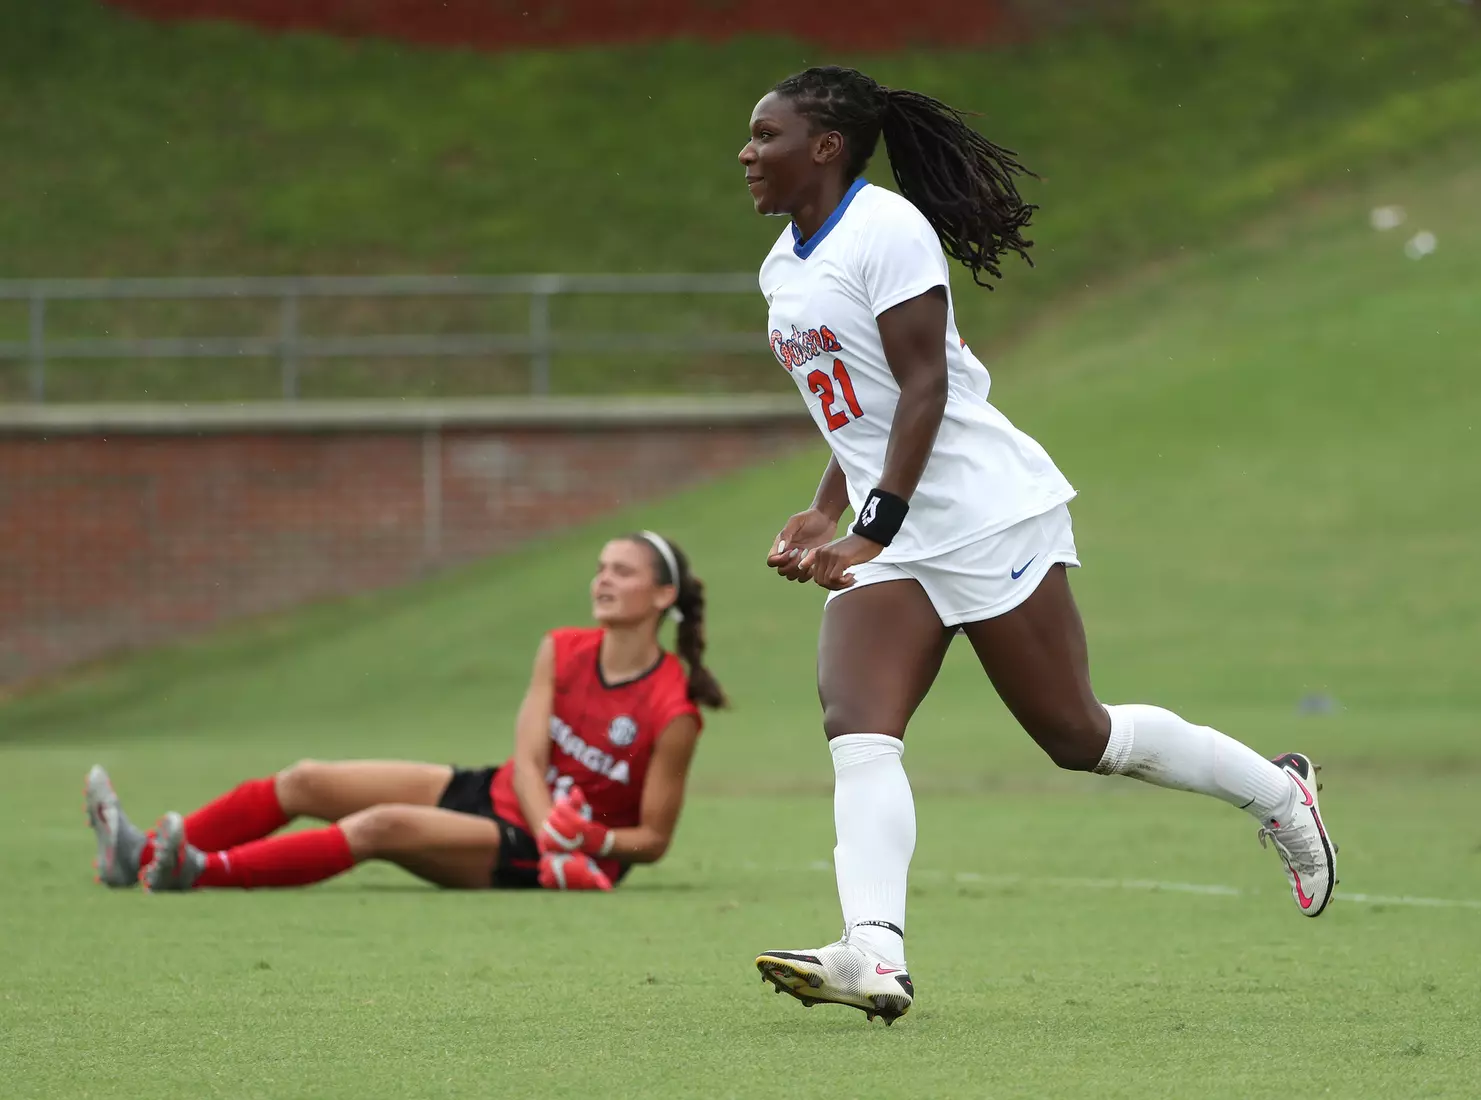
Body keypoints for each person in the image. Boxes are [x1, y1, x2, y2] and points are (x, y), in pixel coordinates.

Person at [740, 66, 1339, 1025]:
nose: (746, 152)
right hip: (887, 532)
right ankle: (873, 955)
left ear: (825, 146)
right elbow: (857, 410)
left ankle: (1278, 796)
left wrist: (869, 527)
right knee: (857, 730)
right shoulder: (784, 263)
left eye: (765, 135)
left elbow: (926, 386)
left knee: (1076, 736)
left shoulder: (886, 230)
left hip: (983, 514)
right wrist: (826, 509)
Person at [82, 532, 725, 893]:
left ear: (662, 595)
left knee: (380, 826)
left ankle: (197, 871)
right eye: (599, 568)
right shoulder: (561, 649)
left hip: (549, 856)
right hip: (507, 800)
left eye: (622, 571)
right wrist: (546, 820)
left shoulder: (673, 710)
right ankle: (136, 855)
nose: (602, 580)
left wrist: (584, 843)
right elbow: (528, 761)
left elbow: (654, 842)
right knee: (306, 779)